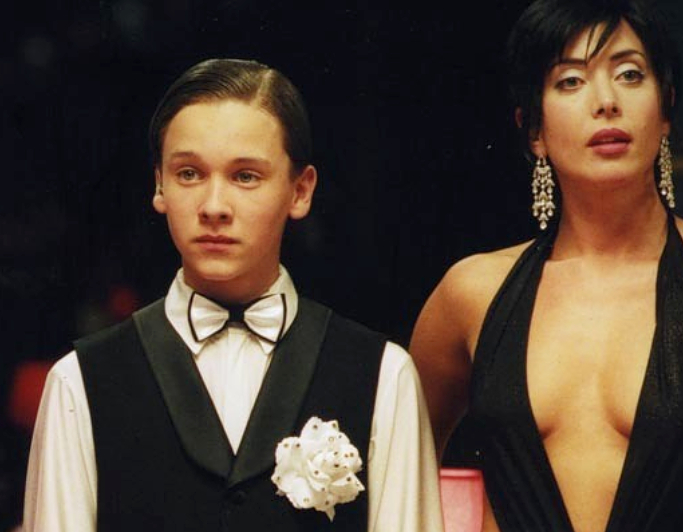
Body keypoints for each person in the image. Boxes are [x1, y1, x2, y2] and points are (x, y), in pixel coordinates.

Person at [409, 1, 683, 531]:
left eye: (629, 75)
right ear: (533, 130)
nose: (606, 102)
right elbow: (397, 475)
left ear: (665, 108)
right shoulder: (472, 291)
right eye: (570, 81)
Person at [24, 58, 443, 532]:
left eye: (245, 176)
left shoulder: (382, 375)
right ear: (159, 185)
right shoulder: (80, 381)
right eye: (189, 173)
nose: (214, 207)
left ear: (300, 191)